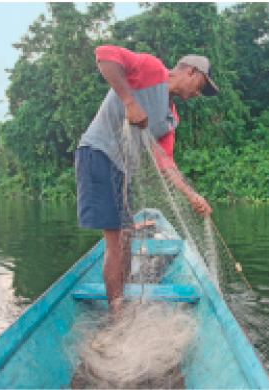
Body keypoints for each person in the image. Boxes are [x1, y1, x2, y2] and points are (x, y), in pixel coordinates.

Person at [75, 45, 219, 316]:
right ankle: (119, 320)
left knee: (127, 237)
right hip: (98, 154)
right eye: (200, 85)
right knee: (116, 243)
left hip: (121, 168)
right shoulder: (151, 69)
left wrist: (192, 196)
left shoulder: (170, 118)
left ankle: (122, 304)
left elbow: (165, 162)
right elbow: (104, 54)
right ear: (191, 71)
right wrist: (130, 103)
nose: (198, 94)